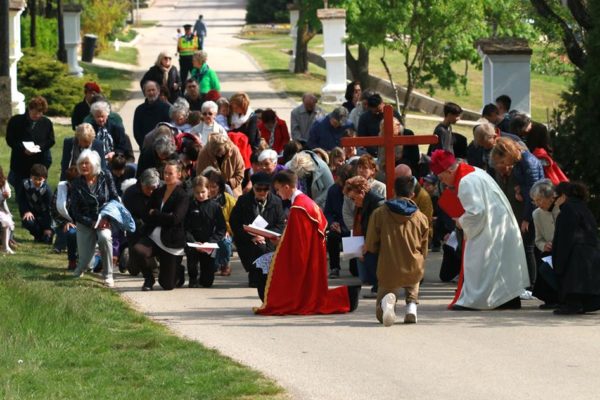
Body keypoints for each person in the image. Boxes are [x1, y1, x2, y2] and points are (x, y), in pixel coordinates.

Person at [430, 149, 530, 310]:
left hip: (488, 228)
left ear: (449, 170)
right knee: (501, 264)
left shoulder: (465, 182)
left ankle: (476, 300)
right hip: (498, 224)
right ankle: (508, 299)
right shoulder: (475, 171)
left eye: (442, 178)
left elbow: (476, 213)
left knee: (478, 262)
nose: (443, 183)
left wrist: (460, 222)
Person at [254, 170, 360, 315]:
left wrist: (279, 242)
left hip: (306, 255)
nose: (278, 194)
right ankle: (347, 296)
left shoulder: (298, 208)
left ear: (286, 187)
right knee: (313, 294)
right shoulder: (305, 202)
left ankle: (346, 297)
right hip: (314, 253)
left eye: (278, 190)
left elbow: (298, 242)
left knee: (307, 298)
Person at [365, 176, 429, 326]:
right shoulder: (421, 217)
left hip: (388, 268)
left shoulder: (379, 213)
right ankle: (411, 306)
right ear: (412, 194)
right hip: (413, 267)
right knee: (415, 275)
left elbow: (371, 244)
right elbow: (424, 248)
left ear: (393, 191)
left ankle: (387, 303)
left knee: (381, 317)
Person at [491, 137, 544, 288]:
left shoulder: (528, 162)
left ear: (507, 153)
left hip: (533, 210)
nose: (503, 165)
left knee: (529, 247)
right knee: (527, 247)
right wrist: (519, 189)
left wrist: (527, 218)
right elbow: (527, 186)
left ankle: (531, 285)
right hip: (530, 207)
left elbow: (534, 193)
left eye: (502, 161)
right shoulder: (520, 162)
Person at [132, 160, 190, 291]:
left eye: (171, 173)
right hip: (154, 236)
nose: (167, 176)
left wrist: (157, 214)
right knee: (137, 249)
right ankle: (149, 278)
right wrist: (162, 216)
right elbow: (147, 213)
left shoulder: (183, 196)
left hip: (172, 241)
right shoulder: (158, 191)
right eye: (165, 173)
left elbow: (175, 219)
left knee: (167, 285)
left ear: (179, 174)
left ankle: (178, 269)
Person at [70, 150, 119, 287]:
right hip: (85, 221)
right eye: (81, 163)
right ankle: (81, 267)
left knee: (104, 238)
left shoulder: (106, 176)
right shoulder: (76, 183)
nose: (84, 166)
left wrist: (107, 218)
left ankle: (108, 275)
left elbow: (115, 198)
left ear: (95, 164)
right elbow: (75, 211)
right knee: (87, 262)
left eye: (87, 163)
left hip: (104, 219)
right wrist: (92, 223)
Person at [230, 172, 286, 288]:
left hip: (269, 238)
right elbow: (234, 222)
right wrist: (251, 236)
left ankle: (264, 277)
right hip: (248, 238)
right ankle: (255, 276)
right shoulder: (243, 201)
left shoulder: (276, 202)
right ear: (253, 187)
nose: (262, 192)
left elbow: (280, 225)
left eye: (265, 189)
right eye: (258, 189)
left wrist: (265, 235)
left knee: (265, 249)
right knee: (257, 248)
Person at [551, 182, 600, 315]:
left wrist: (558, 261)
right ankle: (582, 304)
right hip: (590, 252)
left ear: (563, 196)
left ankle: (573, 304)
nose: (555, 202)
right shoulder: (583, 208)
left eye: (556, 198)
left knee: (572, 279)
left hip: (576, 253)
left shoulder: (567, 209)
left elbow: (565, 237)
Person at [6, 96, 55, 198]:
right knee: (21, 192)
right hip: (20, 160)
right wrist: (23, 149)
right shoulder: (16, 121)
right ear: (29, 109)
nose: (37, 115)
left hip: (39, 160)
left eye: (40, 113)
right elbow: (10, 139)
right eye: (35, 112)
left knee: (38, 193)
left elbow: (51, 140)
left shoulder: (46, 123)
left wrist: (39, 147)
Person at [344, 175, 385, 297]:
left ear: (361, 192)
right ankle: (377, 286)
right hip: (368, 240)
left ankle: (379, 287)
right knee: (365, 272)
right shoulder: (363, 204)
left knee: (372, 260)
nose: (353, 202)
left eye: (354, 198)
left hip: (378, 242)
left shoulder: (377, 203)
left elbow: (378, 229)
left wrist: (368, 244)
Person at [183, 176, 226, 288]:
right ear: (193, 191)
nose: (200, 195)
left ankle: (203, 277)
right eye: (197, 192)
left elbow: (221, 228)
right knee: (192, 264)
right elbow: (184, 227)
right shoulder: (189, 206)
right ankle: (192, 278)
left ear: (208, 190)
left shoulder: (215, 207)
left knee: (207, 282)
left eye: (203, 192)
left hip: (208, 244)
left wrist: (211, 242)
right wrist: (192, 241)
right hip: (193, 243)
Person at [122, 168, 161, 276]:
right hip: (137, 229)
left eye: (154, 188)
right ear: (142, 184)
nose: (151, 192)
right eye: (148, 188)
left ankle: (156, 263)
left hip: (156, 226)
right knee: (134, 270)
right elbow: (128, 217)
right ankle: (127, 254)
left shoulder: (161, 190)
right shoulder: (130, 193)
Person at [530, 179, 560, 308]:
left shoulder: (562, 209)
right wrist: (544, 245)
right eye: (534, 201)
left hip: (565, 249)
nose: (537, 204)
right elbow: (538, 239)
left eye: (539, 200)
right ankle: (551, 300)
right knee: (544, 265)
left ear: (550, 197)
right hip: (549, 251)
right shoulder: (536, 214)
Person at [204, 169, 236, 276]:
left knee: (225, 241)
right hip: (204, 233)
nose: (210, 190)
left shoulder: (228, 200)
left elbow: (236, 220)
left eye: (214, 186)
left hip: (223, 231)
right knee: (210, 269)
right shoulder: (198, 199)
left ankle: (225, 264)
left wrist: (228, 230)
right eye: (207, 186)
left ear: (220, 187)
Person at [324, 164, 353, 278]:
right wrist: (332, 223)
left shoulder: (355, 190)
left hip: (352, 227)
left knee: (355, 271)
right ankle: (334, 267)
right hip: (337, 225)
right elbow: (328, 212)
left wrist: (346, 228)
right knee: (332, 236)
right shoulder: (333, 190)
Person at [51, 166, 79, 269]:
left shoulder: (87, 189)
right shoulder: (61, 189)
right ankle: (72, 260)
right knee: (71, 233)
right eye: (70, 182)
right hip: (65, 223)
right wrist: (65, 222)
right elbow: (54, 210)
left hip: (84, 222)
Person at [17, 164, 53, 244]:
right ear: (31, 177)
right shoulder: (24, 184)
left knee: (47, 241)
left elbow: (49, 210)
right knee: (28, 221)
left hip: (44, 216)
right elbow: (21, 200)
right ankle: (38, 235)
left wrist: (48, 227)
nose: (37, 181)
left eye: (40, 179)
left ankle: (47, 234)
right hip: (31, 213)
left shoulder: (47, 191)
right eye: (35, 179)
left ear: (44, 179)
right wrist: (26, 211)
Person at [133, 81, 171, 148]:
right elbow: (136, 131)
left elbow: (169, 128)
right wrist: (144, 145)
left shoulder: (166, 108)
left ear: (158, 91)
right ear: (145, 93)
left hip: (163, 147)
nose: (151, 93)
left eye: (153, 90)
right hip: (145, 148)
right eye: (148, 91)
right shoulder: (139, 110)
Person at [0, 166, 15, 254]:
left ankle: (6, 246)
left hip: (1, 208)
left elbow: (9, 193)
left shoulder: (3, 182)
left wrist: (7, 195)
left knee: (7, 222)